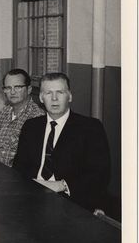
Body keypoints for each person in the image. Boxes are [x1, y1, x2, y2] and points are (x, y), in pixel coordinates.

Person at [13, 72, 111, 212]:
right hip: (32, 198)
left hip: (70, 200)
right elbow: (19, 167)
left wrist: (61, 185)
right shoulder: (31, 126)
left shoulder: (90, 127)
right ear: (41, 97)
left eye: (60, 92)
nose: (54, 98)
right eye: (48, 93)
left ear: (69, 96)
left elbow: (100, 173)